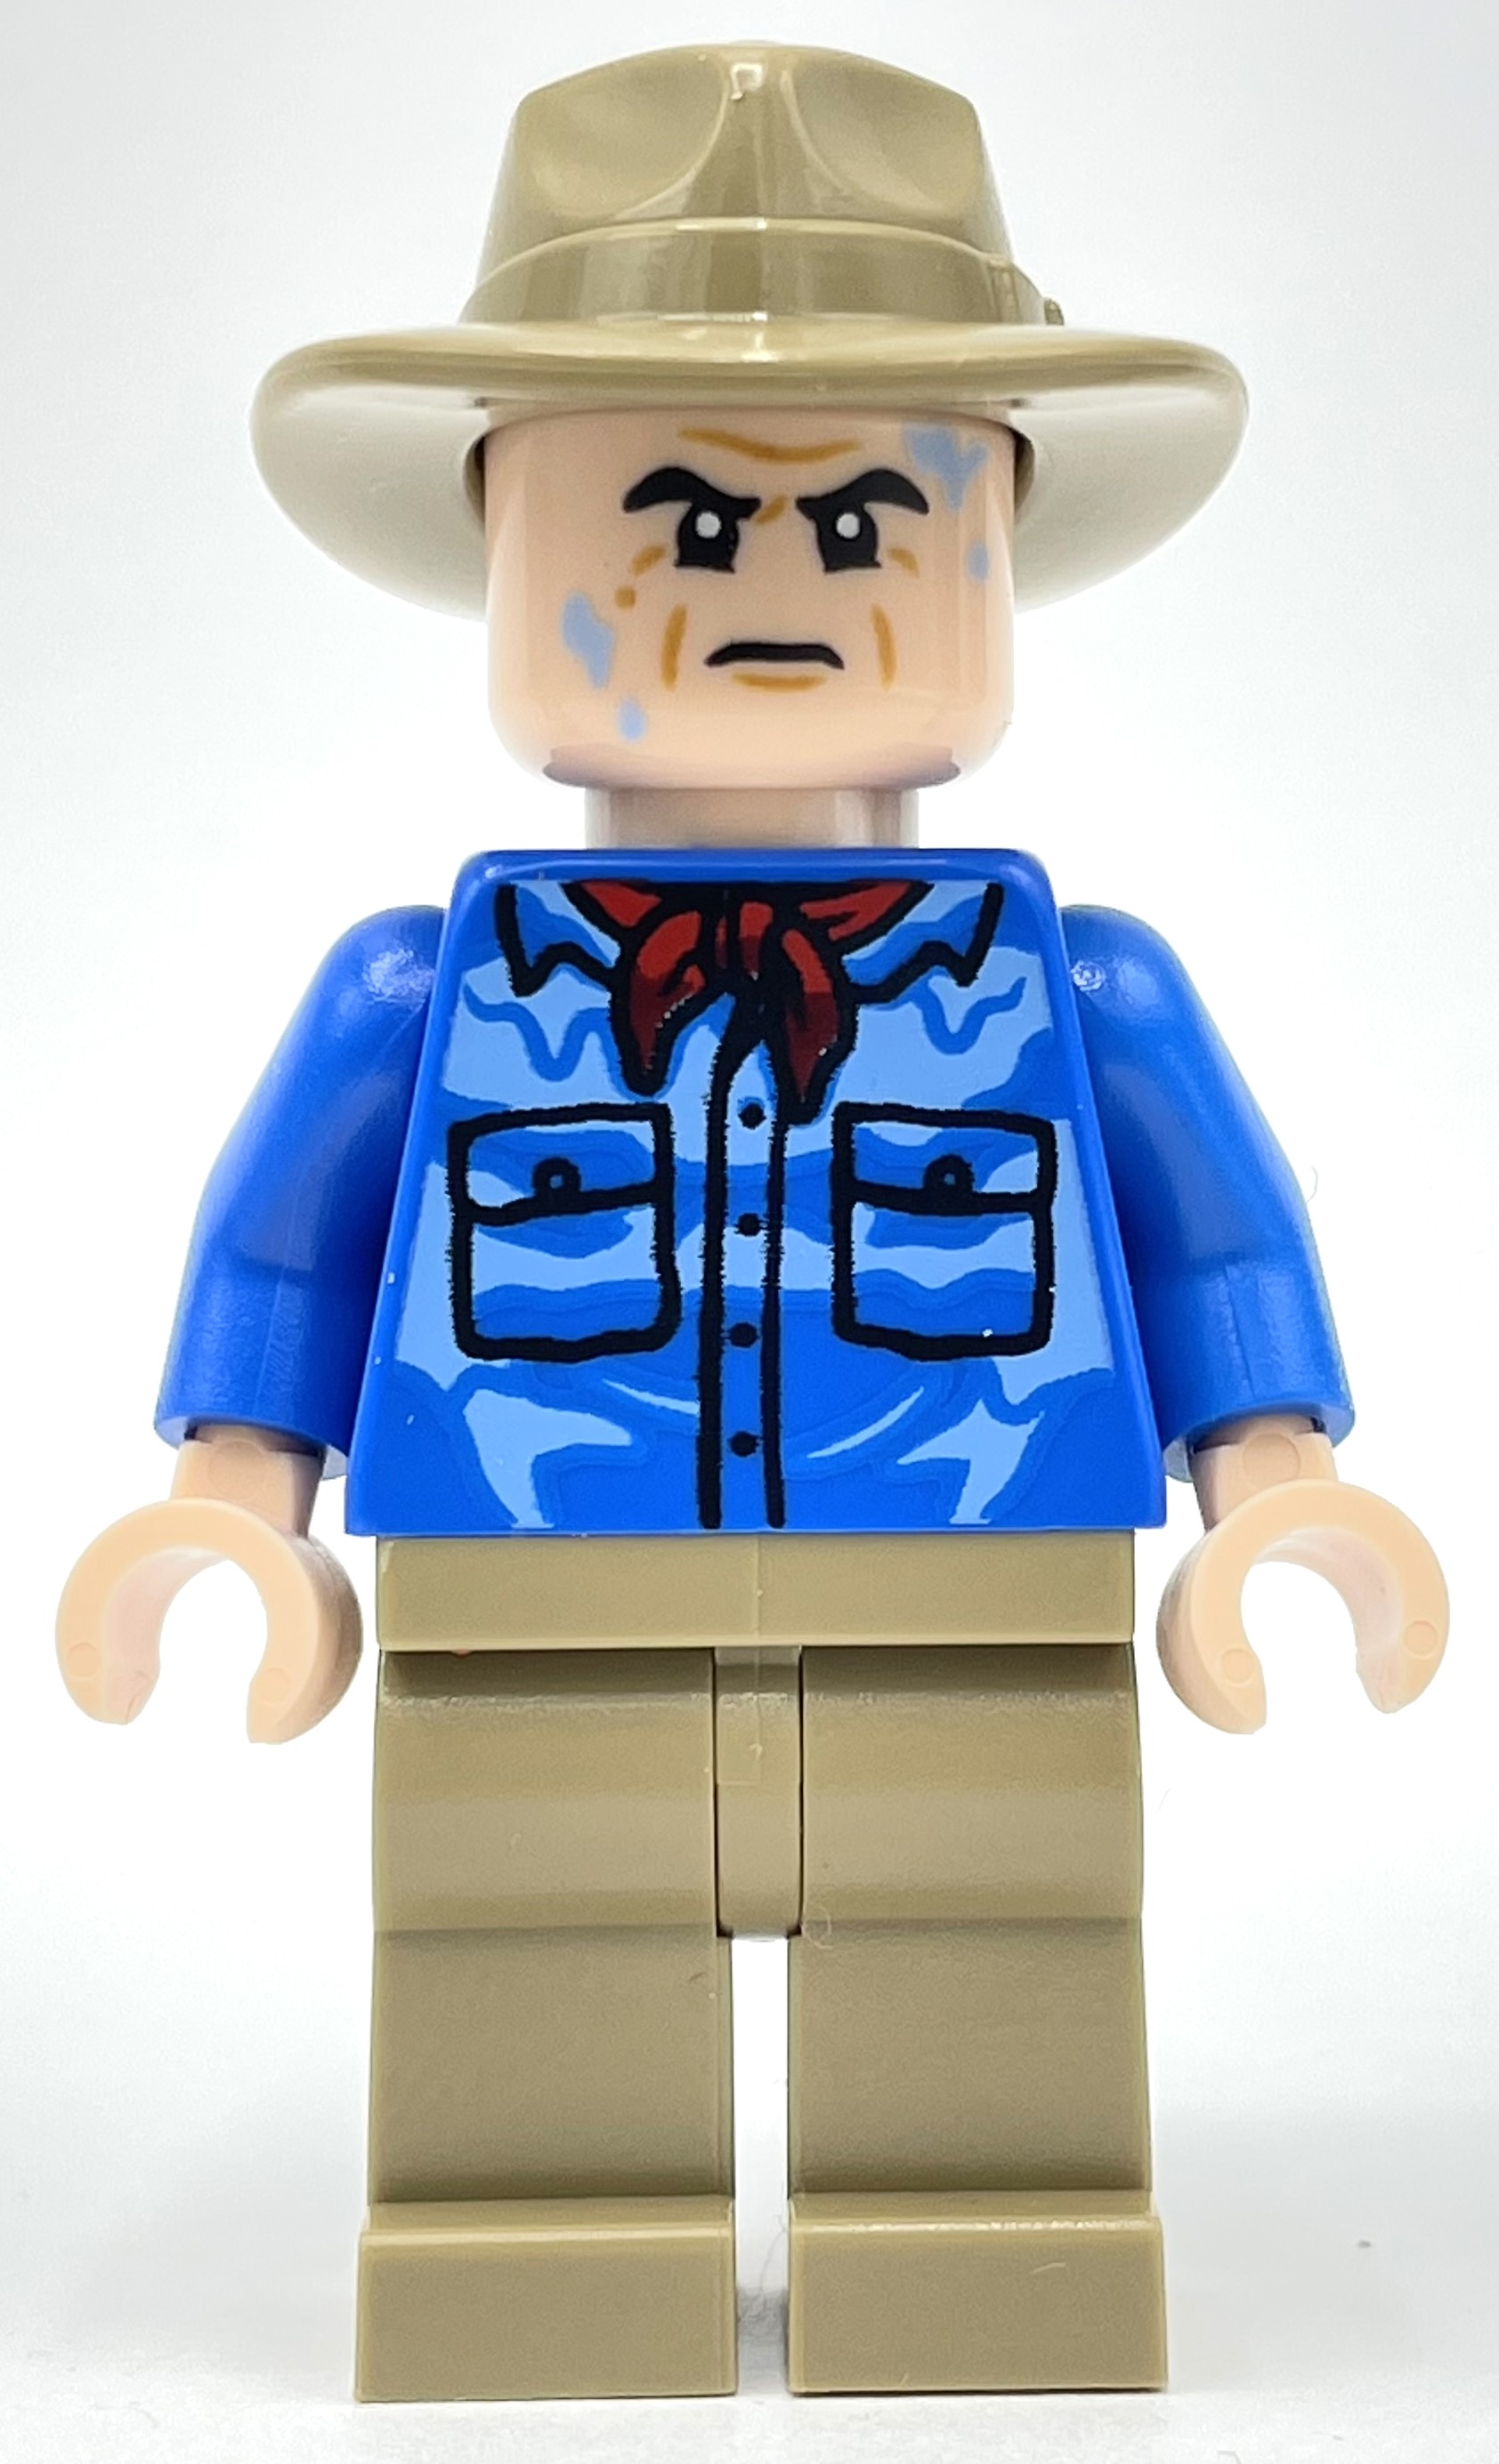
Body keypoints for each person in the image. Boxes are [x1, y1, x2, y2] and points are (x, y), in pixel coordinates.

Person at [57, 43, 1447, 2402]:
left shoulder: (1072, 986)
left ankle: (989, 2234)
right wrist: (229, 1511)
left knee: (996, 1919)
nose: (781, 583)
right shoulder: (425, 990)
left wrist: (1278, 1493)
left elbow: (1216, 1254)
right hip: (524, 1583)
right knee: (521, 1926)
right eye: (679, 524)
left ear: (995, 550)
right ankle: (532, 2239)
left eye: (875, 521)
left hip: (982, 1576)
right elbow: (285, 1264)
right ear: (498, 545)